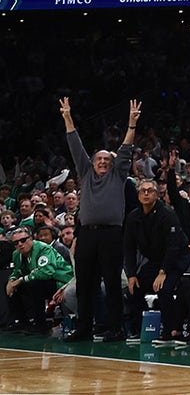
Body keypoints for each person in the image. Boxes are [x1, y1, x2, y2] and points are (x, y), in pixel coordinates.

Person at [60, 98, 138, 343]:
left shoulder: (118, 174)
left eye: (107, 159)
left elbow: (125, 148)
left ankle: (115, 329)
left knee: (113, 282)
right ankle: (84, 328)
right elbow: (75, 146)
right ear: (92, 163)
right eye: (99, 159)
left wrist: (132, 124)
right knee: (84, 283)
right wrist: (68, 118)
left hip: (112, 235)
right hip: (87, 235)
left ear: (112, 163)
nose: (103, 162)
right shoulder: (85, 173)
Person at [124, 178, 190, 344]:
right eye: (143, 191)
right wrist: (131, 274)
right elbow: (129, 248)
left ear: (157, 195)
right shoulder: (133, 217)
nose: (146, 193)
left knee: (165, 288)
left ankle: (170, 331)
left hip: (178, 257)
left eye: (150, 191)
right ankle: (139, 329)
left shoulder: (167, 214)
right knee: (134, 288)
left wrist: (163, 272)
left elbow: (173, 247)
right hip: (155, 259)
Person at [6, 226, 74, 332]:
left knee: (34, 285)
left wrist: (20, 280)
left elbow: (46, 272)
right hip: (41, 281)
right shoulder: (16, 254)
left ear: (31, 238)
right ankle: (22, 321)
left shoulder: (43, 248)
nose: (20, 244)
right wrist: (11, 280)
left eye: (23, 240)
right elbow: (17, 271)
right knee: (12, 286)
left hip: (61, 280)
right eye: (16, 243)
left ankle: (40, 323)